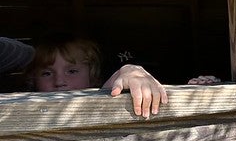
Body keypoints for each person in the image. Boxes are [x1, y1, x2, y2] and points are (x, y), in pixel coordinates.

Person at [20, 33, 168, 119]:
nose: (59, 82)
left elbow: (110, 89)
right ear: (33, 79)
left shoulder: (100, 94)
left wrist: (130, 71)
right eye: (47, 73)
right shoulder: (24, 115)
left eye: (72, 71)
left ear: (92, 76)